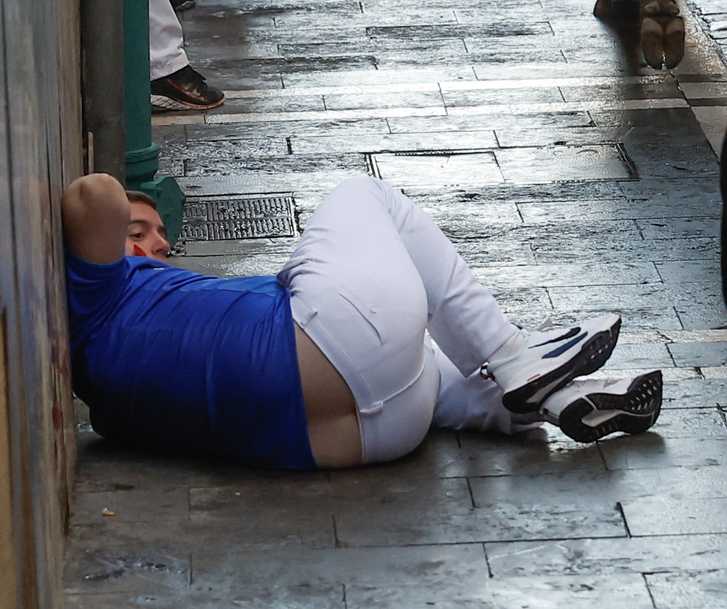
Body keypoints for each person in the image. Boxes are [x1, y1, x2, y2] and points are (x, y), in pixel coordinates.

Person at [63, 174, 662, 468]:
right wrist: (114, 237)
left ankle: (552, 400)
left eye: (162, 242)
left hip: (372, 438)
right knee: (365, 196)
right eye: (136, 235)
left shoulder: (110, 407)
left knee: (429, 359)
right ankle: (514, 357)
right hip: (334, 357)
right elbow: (95, 194)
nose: (155, 248)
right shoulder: (99, 299)